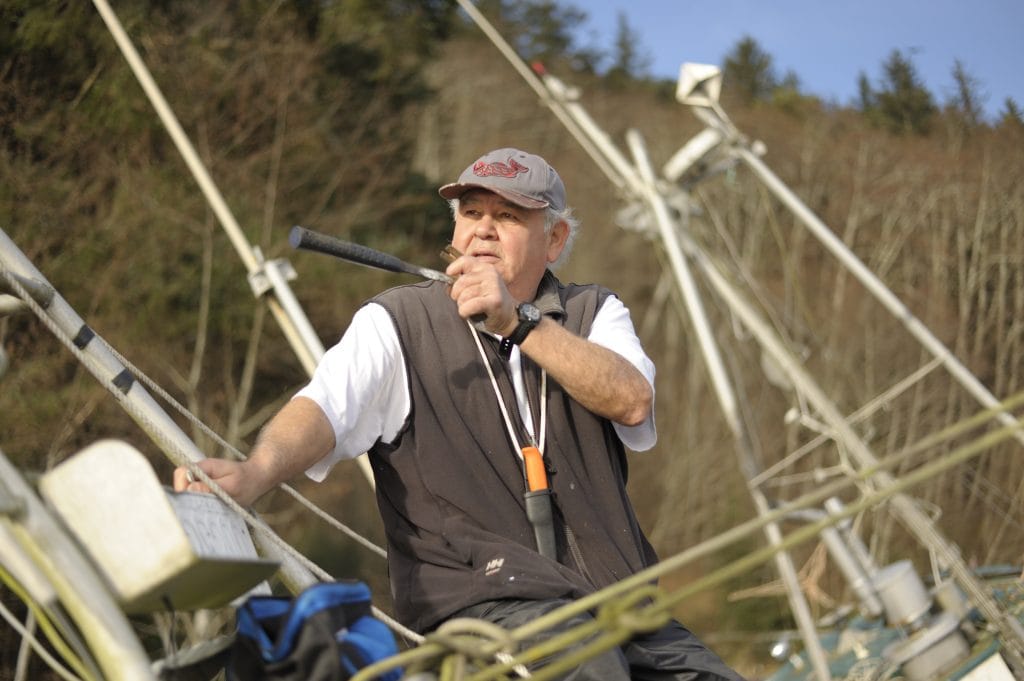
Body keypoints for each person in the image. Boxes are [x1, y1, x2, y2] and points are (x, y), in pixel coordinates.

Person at [175, 148, 743, 680]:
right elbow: (322, 409)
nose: (484, 228)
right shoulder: (397, 319)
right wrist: (255, 472)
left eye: (509, 215)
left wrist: (518, 322)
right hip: (485, 607)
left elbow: (631, 398)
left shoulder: (593, 312)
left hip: (622, 606)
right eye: (471, 212)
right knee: (582, 663)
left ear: (555, 238)